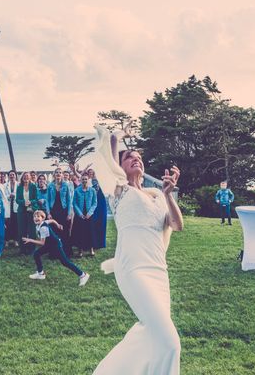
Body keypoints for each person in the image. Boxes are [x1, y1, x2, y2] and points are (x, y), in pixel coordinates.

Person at [92, 125, 183, 375]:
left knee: (149, 333)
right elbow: (109, 156)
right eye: (129, 157)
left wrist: (168, 195)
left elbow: (176, 225)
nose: (136, 159)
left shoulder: (156, 195)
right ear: (119, 167)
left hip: (158, 272)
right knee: (170, 343)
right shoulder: (119, 190)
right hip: (133, 269)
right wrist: (118, 137)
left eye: (139, 157)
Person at [23, 210, 90, 286]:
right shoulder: (41, 224)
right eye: (34, 217)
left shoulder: (43, 228)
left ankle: (83, 275)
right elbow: (52, 221)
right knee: (36, 254)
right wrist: (57, 225)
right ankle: (40, 273)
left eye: (38, 216)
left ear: (42, 218)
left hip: (55, 245)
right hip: (49, 245)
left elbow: (42, 243)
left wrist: (30, 240)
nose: (36, 218)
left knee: (65, 262)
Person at [71, 173, 98, 257]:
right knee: (80, 232)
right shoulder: (77, 191)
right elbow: (74, 203)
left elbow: (94, 203)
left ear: (88, 180)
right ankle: (80, 250)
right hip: (80, 215)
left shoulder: (92, 190)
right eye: (83, 179)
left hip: (89, 214)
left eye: (86, 179)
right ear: (80, 180)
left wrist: (90, 213)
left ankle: (91, 249)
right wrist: (79, 213)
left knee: (90, 232)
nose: (84, 181)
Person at [47, 168, 73, 249]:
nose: (58, 174)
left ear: (62, 175)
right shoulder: (50, 185)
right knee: (54, 231)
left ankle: (65, 250)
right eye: (56, 172)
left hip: (63, 211)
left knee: (64, 230)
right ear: (54, 174)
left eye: (60, 172)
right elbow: (47, 200)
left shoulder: (66, 185)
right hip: (53, 211)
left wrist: (69, 213)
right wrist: (48, 213)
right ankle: (55, 252)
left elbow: (69, 200)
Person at [16, 172, 39, 255]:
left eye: (27, 176)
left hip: (31, 210)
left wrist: (30, 202)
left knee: (32, 231)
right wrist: (23, 202)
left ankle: (32, 249)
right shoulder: (19, 187)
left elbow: (36, 198)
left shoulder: (33, 186)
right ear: (22, 178)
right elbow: (17, 199)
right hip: (21, 211)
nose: (26, 178)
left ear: (30, 178)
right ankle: (22, 249)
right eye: (24, 176)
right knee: (22, 231)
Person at [87, 168, 108, 250]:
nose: (91, 173)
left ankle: (101, 243)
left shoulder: (99, 180)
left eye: (92, 172)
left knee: (101, 221)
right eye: (89, 172)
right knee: (93, 221)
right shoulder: (87, 181)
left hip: (101, 201)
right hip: (92, 202)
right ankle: (94, 243)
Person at [4, 170, 19, 246]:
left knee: (16, 223)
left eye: (13, 175)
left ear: (15, 176)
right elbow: (3, 195)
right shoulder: (5, 185)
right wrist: (8, 196)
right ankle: (7, 240)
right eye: (10, 175)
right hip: (8, 206)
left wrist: (15, 195)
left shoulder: (19, 185)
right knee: (7, 223)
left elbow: (20, 195)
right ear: (8, 176)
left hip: (16, 206)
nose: (12, 176)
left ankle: (15, 240)